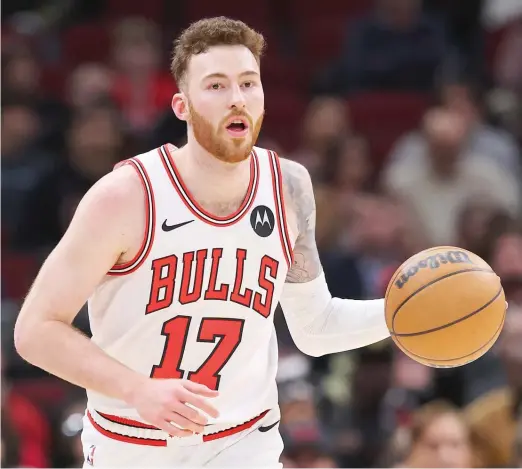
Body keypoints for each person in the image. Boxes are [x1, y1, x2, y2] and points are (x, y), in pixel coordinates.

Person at [14, 17, 391, 468]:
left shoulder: (289, 187)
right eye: (215, 86)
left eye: (249, 83)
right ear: (182, 105)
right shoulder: (126, 196)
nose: (237, 99)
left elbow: (314, 328)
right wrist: (137, 389)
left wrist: (400, 314)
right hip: (135, 444)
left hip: (244, 442)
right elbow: (34, 331)